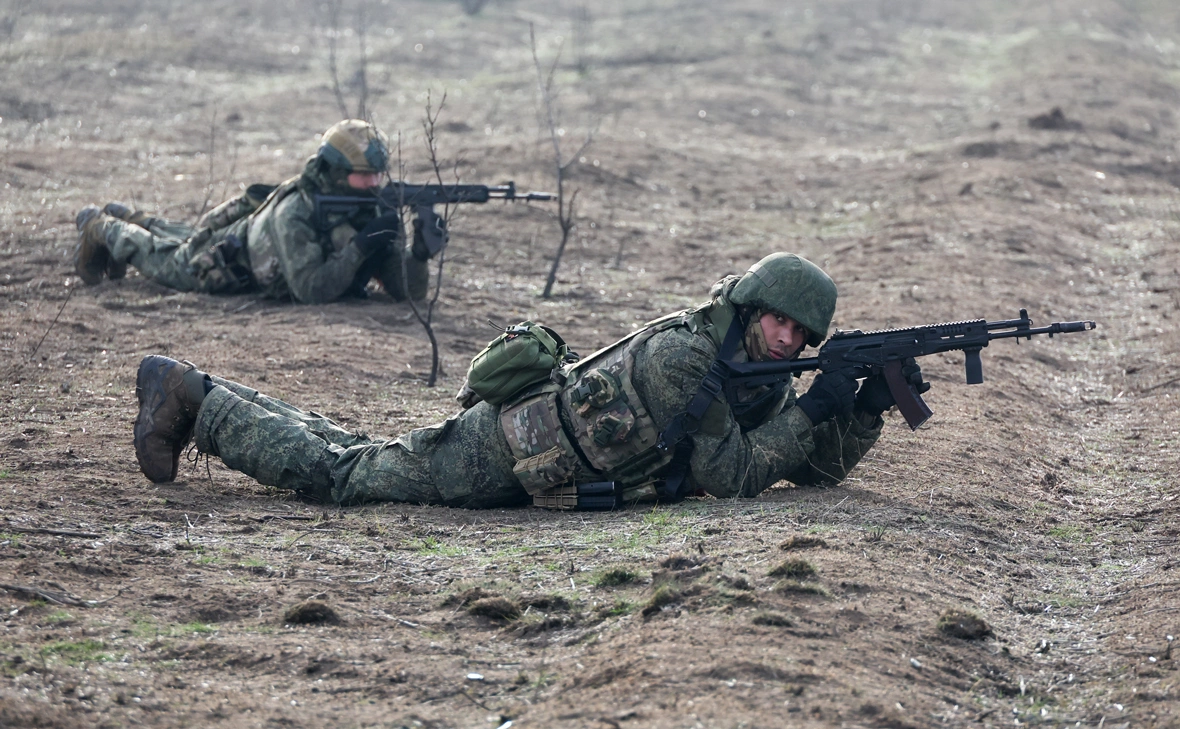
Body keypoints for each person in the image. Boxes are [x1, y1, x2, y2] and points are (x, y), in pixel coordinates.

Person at [131, 252, 930, 509]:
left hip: (548, 467)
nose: (790, 340)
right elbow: (733, 475)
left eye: (803, 335)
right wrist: (814, 404)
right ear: (753, 307)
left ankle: (199, 389)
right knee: (347, 476)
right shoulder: (689, 359)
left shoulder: (754, 370)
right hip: (506, 452)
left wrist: (857, 412)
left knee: (357, 449)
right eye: (782, 323)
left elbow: (812, 474)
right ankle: (195, 404)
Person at [72, 119, 436, 303]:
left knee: (180, 235)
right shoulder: (294, 210)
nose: (375, 182)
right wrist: (361, 245)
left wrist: (417, 255)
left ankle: (131, 215)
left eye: (378, 174)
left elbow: (405, 293)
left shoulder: (372, 207)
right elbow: (310, 290)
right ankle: (101, 227)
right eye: (364, 175)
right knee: (163, 258)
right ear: (337, 172)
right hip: (224, 264)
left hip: (249, 243)